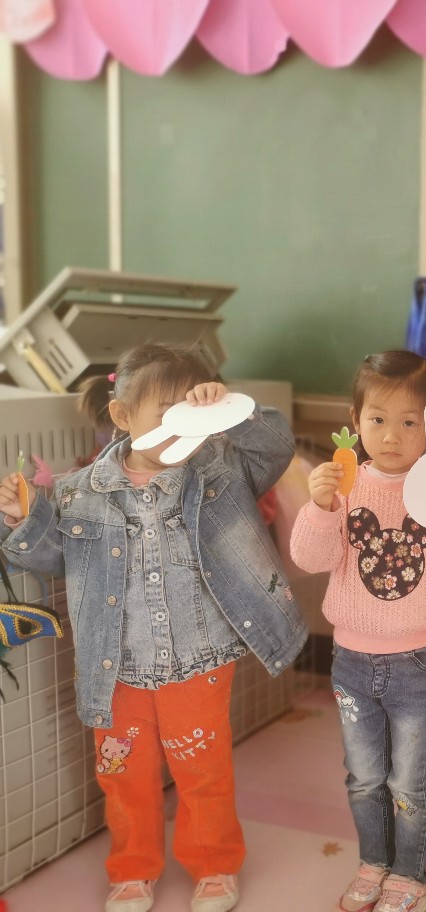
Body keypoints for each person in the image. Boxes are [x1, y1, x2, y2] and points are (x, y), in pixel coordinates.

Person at [0, 342, 305, 912]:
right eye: (165, 412)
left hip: (199, 660)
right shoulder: (76, 492)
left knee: (203, 775)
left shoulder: (219, 469)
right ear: (121, 415)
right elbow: (51, 560)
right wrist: (22, 519)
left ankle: (214, 866)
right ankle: (132, 871)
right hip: (114, 669)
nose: (179, 425)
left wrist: (231, 410)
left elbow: (276, 445)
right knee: (124, 778)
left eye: (190, 411)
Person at [290, 351, 426, 912]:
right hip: (351, 661)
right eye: (378, 419)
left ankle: (409, 874)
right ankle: (373, 863)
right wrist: (320, 506)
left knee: (410, 780)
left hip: (418, 661)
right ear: (355, 420)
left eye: (410, 422)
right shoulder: (344, 485)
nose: (391, 436)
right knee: (363, 777)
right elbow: (309, 558)